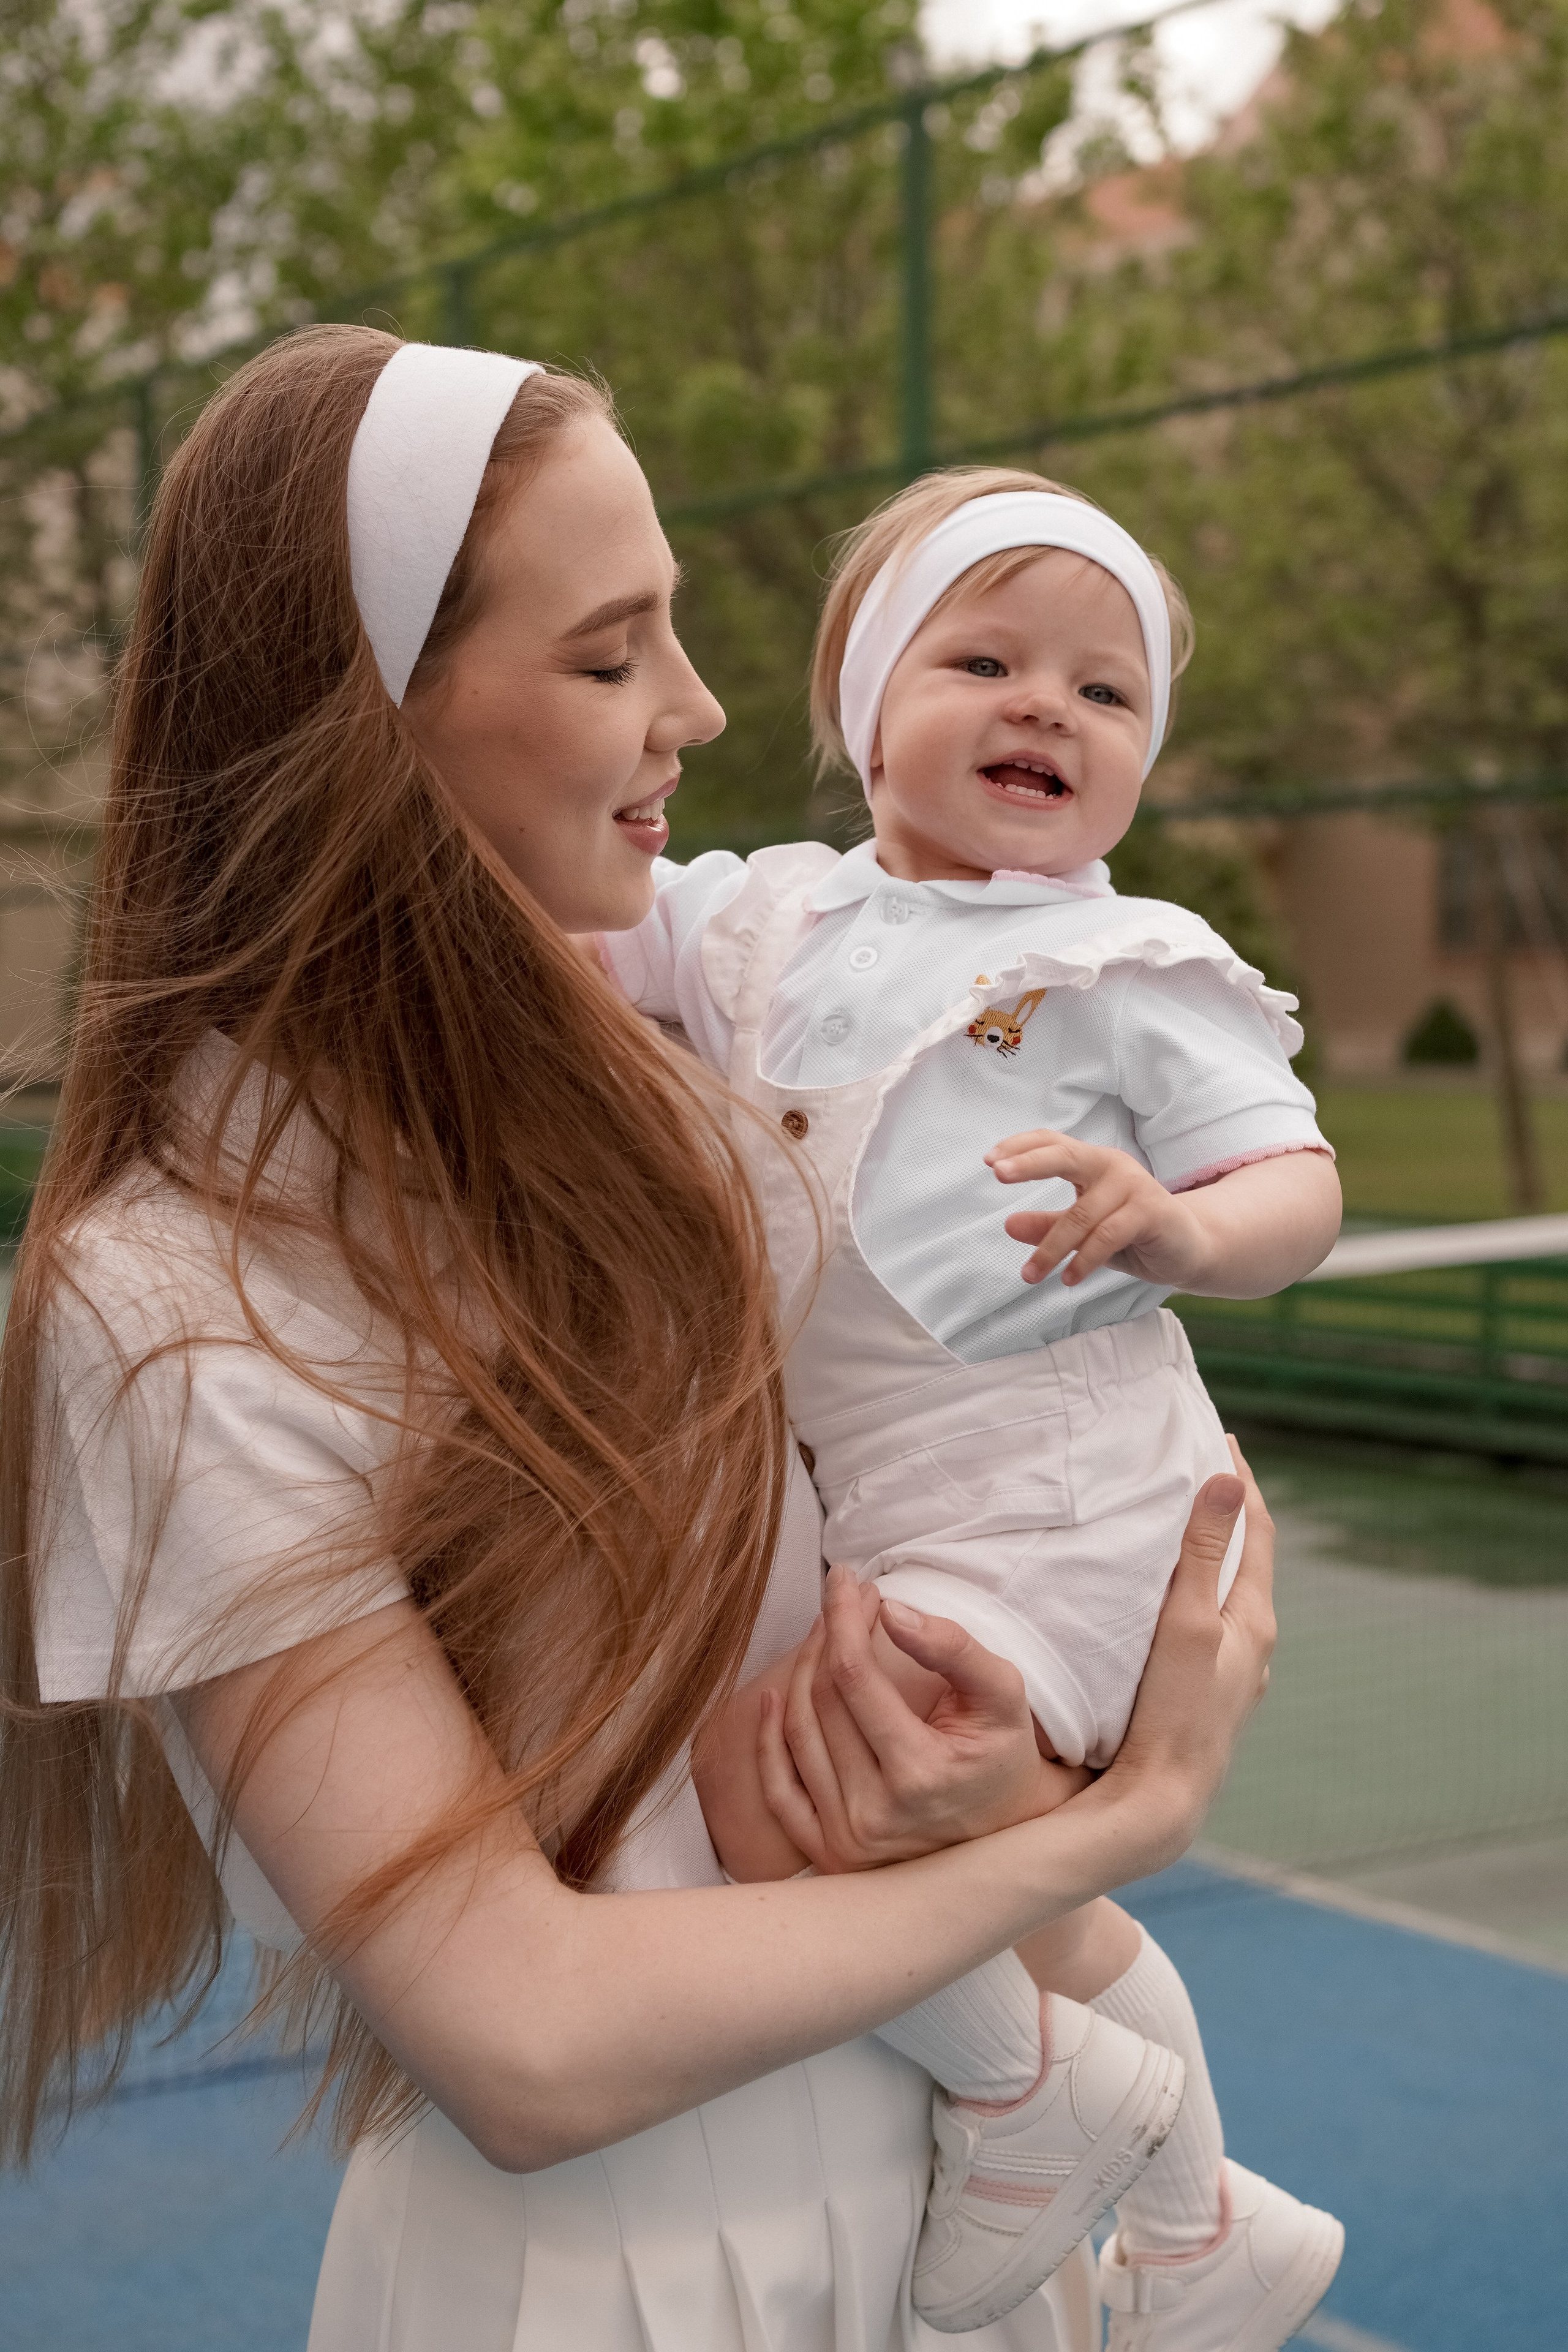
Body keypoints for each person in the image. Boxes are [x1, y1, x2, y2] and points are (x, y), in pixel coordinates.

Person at [0, 334, 1276, 2352]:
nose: (694, 709)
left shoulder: (682, 1097)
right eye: (611, 656)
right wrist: (1129, 1821)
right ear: (365, 714)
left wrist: (1035, 1783)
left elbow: (911, 1564)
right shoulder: (164, 1308)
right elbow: (527, 2042)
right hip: (604, 2292)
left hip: (967, 2240)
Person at [598, 469, 1346, 2346]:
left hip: (1078, 1490)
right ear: (865, 705)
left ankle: (1047, 2110)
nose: (1048, 710)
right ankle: (1195, 2231)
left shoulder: (1126, 966)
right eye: (989, 658)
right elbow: (561, 926)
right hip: (892, 1498)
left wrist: (1179, 1220)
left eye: (1107, 697)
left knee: (809, 1807)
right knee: (849, 1822)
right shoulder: (758, 924)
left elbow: (1303, 1189)